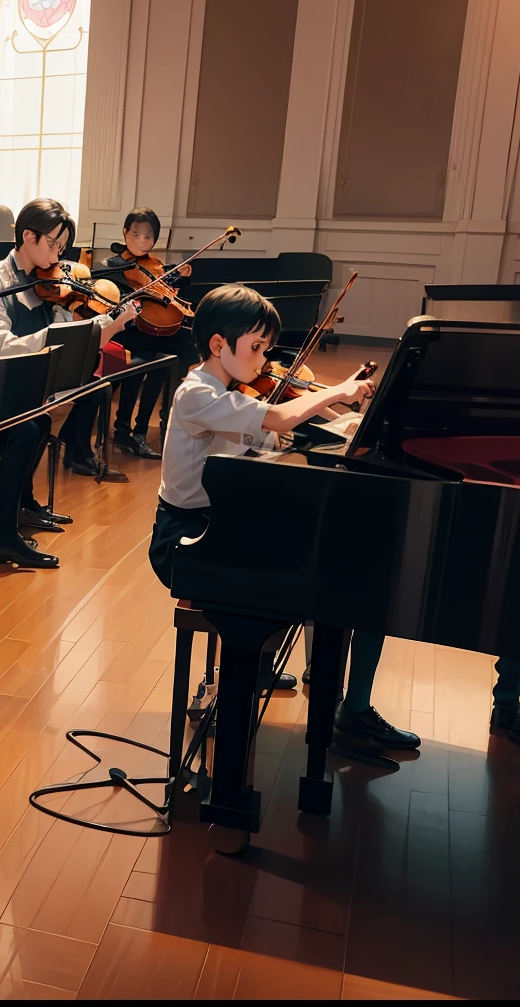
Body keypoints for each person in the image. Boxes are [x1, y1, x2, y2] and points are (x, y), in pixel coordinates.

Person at [145, 284, 411, 753]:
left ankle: (271, 665)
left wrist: (338, 423)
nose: (264, 360)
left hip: (221, 525)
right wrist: (340, 392)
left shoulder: (225, 389)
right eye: (256, 348)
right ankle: (267, 675)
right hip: (186, 541)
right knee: (319, 574)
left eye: (266, 349)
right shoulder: (196, 394)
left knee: (312, 554)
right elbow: (279, 420)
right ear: (217, 344)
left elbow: (271, 437)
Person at [0, 199, 138, 565]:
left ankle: (23, 506)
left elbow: (72, 338)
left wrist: (109, 325)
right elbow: (2, 348)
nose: (58, 254)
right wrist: (64, 332)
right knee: (27, 428)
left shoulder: (50, 282)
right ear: (27, 236)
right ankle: (1, 535)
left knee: (40, 420)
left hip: (23, 389)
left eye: (62, 247)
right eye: (53, 244)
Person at [92, 207, 199, 460]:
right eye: (136, 234)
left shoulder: (155, 265)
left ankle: (147, 427)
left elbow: (165, 285)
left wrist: (179, 276)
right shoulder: (114, 265)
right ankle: (123, 430)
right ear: (125, 233)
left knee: (180, 353)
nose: (142, 241)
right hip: (126, 331)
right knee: (145, 359)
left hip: (152, 330)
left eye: (148, 237)